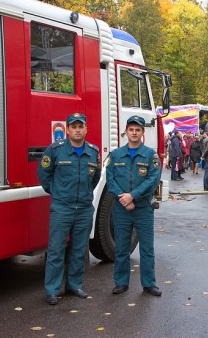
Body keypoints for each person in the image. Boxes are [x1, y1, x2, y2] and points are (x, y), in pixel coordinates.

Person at [38, 113, 101, 305]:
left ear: (86, 129)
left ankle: (74, 285)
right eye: (73, 127)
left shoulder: (93, 151)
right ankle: (52, 290)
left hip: (83, 209)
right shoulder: (55, 150)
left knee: (79, 249)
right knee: (56, 249)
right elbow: (44, 175)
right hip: (62, 208)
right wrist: (57, 193)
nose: (77, 130)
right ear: (67, 130)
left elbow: (95, 177)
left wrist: (85, 195)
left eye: (80, 126)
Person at [106, 115, 162, 297]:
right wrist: (124, 199)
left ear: (142, 133)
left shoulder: (150, 156)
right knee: (121, 248)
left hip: (143, 208)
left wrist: (132, 196)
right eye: (131, 130)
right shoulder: (115, 155)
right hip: (121, 209)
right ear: (126, 132)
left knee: (147, 248)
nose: (134, 133)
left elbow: (153, 180)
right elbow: (110, 179)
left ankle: (149, 284)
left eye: (138, 130)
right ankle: (121, 283)